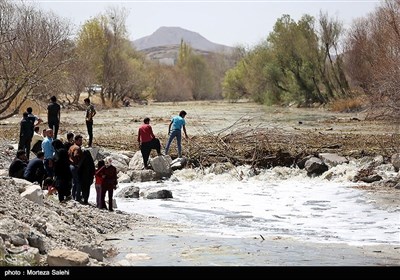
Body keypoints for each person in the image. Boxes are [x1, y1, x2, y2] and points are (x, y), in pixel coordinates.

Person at [68, 134, 83, 201]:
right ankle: (77, 197)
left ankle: (73, 196)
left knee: (74, 182)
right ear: (76, 141)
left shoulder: (71, 147)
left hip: (70, 166)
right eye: (79, 140)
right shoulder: (77, 148)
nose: (81, 142)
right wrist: (78, 163)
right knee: (78, 182)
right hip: (75, 166)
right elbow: (76, 156)